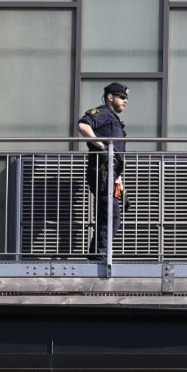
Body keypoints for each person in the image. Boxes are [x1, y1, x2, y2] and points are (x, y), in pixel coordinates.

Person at [77, 82, 129, 260]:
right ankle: (99, 257)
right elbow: (83, 125)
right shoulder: (104, 113)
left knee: (109, 217)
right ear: (110, 97)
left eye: (126, 98)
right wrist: (100, 146)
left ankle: (97, 255)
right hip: (102, 173)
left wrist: (119, 179)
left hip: (111, 175)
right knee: (110, 217)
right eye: (122, 97)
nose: (125, 101)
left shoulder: (113, 118)